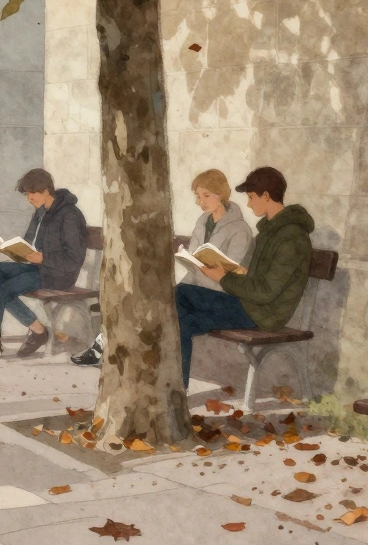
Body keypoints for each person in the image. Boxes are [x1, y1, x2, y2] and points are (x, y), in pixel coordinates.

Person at [72, 169, 254, 366]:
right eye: (197, 196)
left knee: (157, 308)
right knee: (152, 304)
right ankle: (108, 344)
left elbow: (231, 275)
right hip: (195, 294)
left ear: (222, 194)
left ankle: (110, 347)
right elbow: (194, 267)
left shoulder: (240, 229)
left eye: (206, 196)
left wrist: (186, 287)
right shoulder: (203, 222)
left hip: (221, 297)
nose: (199, 202)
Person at [174, 166, 313, 388]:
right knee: (182, 322)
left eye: (251, 197)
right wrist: (240, 273)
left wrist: (223, 277)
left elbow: (266, 292)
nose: (248, 204)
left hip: (262, 314)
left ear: (266, 196)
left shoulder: (292, 237)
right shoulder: (271, 230)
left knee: (179, 293)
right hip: (250, 305)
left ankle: (177, 390)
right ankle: (177, 392)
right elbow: (261, 277)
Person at [0, 169, 87, 358]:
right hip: (36, 267)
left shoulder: (70, 214)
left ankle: (39, 332)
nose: (29, 198)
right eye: (27, 194)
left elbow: (74, 258)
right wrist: (18, 252)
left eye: (32, 193)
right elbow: (29, 243)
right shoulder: (41, 212)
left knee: (2, 290)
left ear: (46, 190)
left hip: (58, 274)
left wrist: (44, 257)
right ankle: (39, 331)